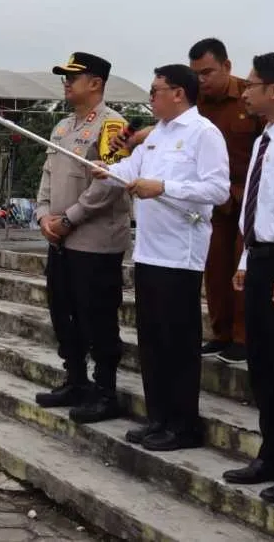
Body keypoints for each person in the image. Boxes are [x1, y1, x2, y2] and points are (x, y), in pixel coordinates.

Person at [95, 64, 229, 451]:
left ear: (178, 93)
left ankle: (184, 425)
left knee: (177, 343)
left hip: (180, 255)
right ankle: (159, 418)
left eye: (156, 91)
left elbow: (218, 189)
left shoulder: (203, 133)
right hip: (149, 251)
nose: (151, 98)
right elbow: (131, 169)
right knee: (152, 341)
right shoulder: (156, 135)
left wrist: (164, 186)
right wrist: (106, 171)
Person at [115, 39, 260, 365]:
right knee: (216, 270)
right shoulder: (190, 107)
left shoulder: (248, 96)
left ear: (227, 66)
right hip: (206, 204)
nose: (201, 80)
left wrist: (163, 186)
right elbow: (166, 132)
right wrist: (134, 142)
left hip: (248, 199)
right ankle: (221, 333)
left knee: (244, 269)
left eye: (207, 72)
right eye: (196, 74)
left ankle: (243, 337)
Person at [33, 52, 132, 424]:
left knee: (97, 317)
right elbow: (47, 176)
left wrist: (69, 219)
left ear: (95, 83)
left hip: (94, 241)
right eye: (65, 77)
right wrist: (43, 216)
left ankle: (105, 391)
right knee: (63, 312)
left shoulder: (113, 125)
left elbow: (109, 185)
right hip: (60, 239)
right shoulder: (62, 128)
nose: (66, 83)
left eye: (73, 77)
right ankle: (75, 379)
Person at [222, 52, 274, 503]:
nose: (245, 92)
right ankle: (271, 455)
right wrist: (246, 261)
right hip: (260, 257)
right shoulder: (265, 139)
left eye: (252, 84)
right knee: (263, 367)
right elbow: (261, 207)